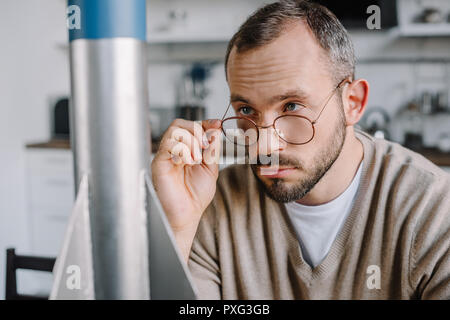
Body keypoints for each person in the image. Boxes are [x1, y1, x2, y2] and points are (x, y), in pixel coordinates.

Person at [151, 0, 450, 299]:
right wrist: (177, 229)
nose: (265, 145)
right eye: (246, 109)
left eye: (291, 106)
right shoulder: (212, 203)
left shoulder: (432, 209)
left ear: (353, 103)